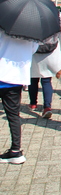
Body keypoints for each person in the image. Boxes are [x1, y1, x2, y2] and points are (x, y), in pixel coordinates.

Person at [0, 29, 39, 164]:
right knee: (13, 116)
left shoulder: (3, 27)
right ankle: (16, 150)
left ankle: (15, 152)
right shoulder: (30, 31)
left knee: (13, 115)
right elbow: (33, 49)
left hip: (2, 73)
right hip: (17, 77)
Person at [29, 0, 61, 119]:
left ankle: (33, 103)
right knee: (46, 79)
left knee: (33, 78)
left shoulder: (32, 11)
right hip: (51, 50)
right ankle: (47, 107)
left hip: (35, 49)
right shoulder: (56, 13)